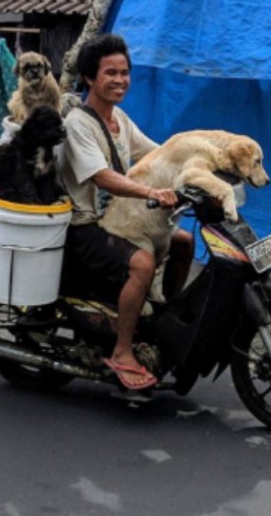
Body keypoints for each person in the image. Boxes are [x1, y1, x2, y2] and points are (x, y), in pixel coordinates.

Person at [59, 33, 194, 390]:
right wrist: (152, 190)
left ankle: (162, 316)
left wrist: (197, 170)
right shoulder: (79, 124)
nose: (120, 80)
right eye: (110, 73)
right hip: (85, 227)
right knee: (142, 263)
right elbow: (102, 177)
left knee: (183, 241)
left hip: (114, 219)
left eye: (125, 72)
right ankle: (121, 351)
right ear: (90, 77)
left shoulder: (120, 119)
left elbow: (159, 155)